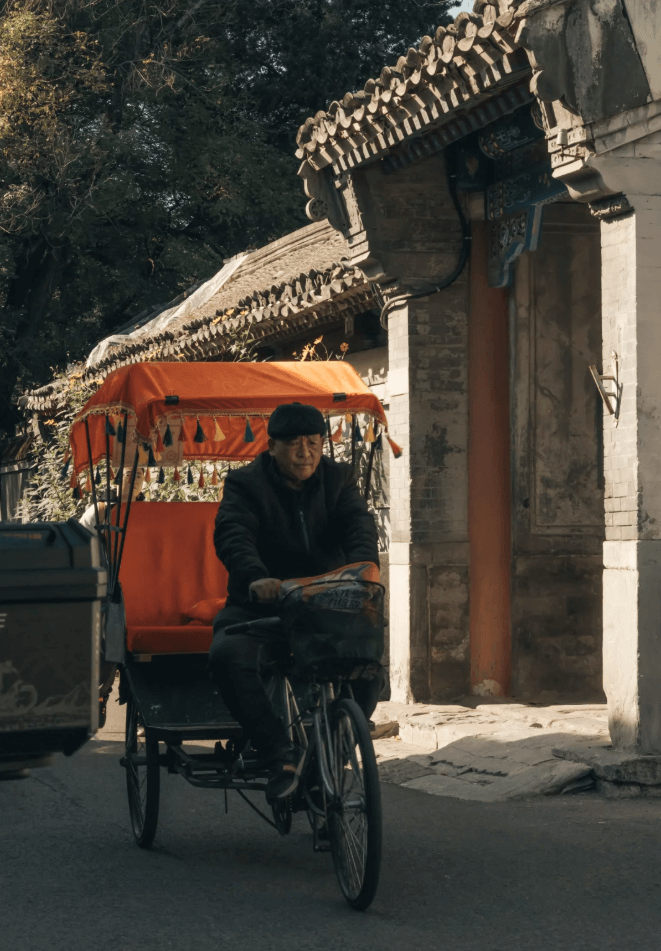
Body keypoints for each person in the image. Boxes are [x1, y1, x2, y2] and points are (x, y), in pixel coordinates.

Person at [208, 402, 383, 802]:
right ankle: (278, 755)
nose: (305, 451)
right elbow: (233, 534)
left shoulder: (338, 479)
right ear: (272, 447)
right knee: (226, 655)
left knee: (369, 667)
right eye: (294, 444)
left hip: (326, 603)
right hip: (262, 604)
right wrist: (255, 578)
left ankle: (331, 757)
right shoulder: (245, 484)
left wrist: (365, 565)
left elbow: (359, 524)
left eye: (313, 442)